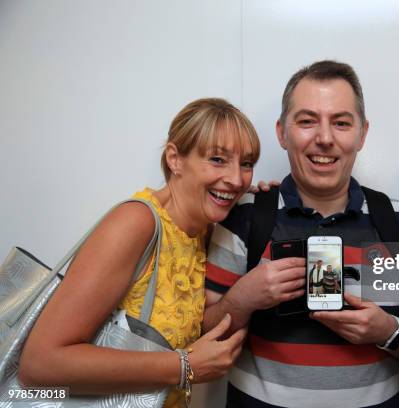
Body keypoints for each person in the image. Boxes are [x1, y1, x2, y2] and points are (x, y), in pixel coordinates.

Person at [204, 60, 399, 408]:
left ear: (362, 134)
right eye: (307, 121)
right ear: (282, 132)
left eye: (340, 123)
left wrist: (387, 331)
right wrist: (244, 298)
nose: (324, 138)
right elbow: (202, 335)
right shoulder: (243, 215)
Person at [19, 98, 257, 407]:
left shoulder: (205, 230)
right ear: (175, 158)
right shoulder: (137, 223)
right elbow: (40, 364)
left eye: (247, 164)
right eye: (217, 159)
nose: (237, 179)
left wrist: (264, 202)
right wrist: (184, 366)